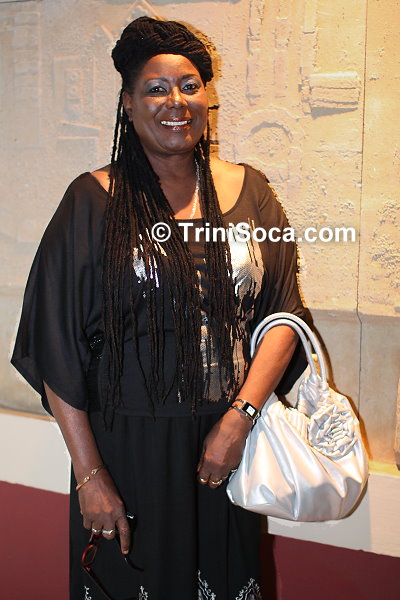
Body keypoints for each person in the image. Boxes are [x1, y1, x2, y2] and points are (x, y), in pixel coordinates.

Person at [11, 16, 307, 600]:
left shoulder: (251, 191)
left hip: (227, 449)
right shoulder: (92, 201)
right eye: (156, 88)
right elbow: (55, 344)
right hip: (126, 454)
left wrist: (239, 419)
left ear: (206, 98)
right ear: (127, 103)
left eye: (190, 86)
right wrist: (90, 476)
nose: (176, 102)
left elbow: (283, 317)